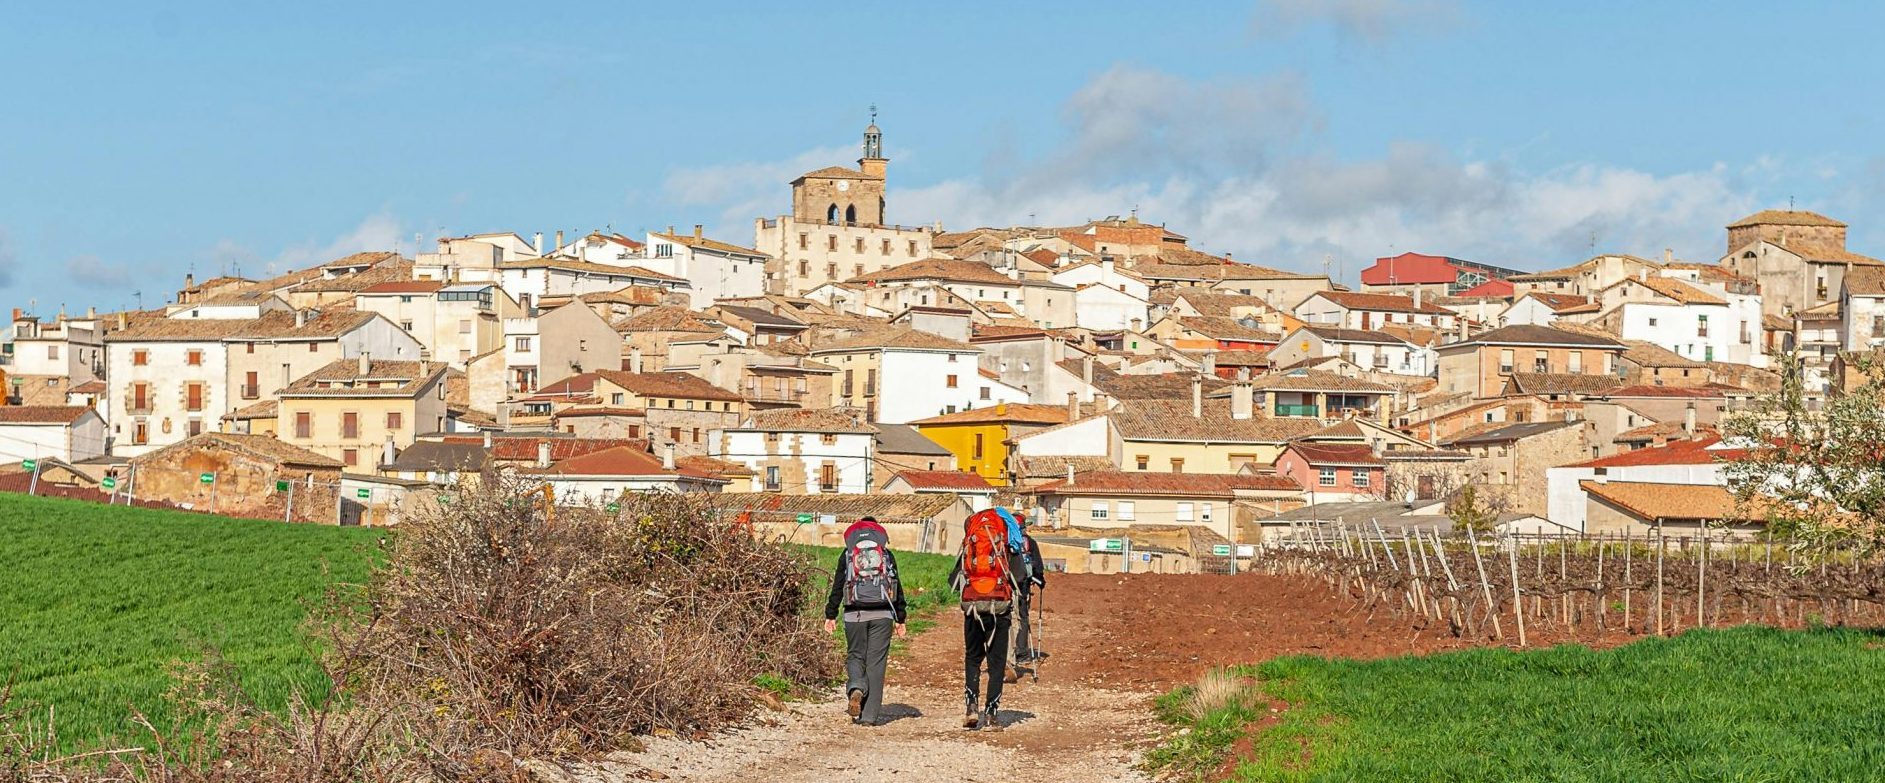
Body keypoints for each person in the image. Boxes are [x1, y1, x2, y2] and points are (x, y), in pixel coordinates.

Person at [823, 517, 907, 726]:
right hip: (882, 614)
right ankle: (869, 716)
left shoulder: (848, 554)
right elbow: (896, 586)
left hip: (854, 614)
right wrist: (900, 617)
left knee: (855, 655)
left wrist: (830, 614)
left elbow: (838, 585)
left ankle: (857, 687)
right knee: (876, 664)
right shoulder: (886, 554)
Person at [950, 508, 1019, 731]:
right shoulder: (1004, 547)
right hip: (999, 607)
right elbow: (1020, 576)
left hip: (972, 606)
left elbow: (953, 578)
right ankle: (991, 714)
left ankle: (971, 707)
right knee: (996, 663)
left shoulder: (969, 546)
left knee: (973, 658)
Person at [1006, 523, 1046, 680]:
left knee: (1005, 619)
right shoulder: (1029, 543)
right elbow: (1039, 568)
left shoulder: (1003, 541)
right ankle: (1021, 653)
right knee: (1022, 618)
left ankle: (1003, 653)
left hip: (1004, 586)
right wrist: (1040, 580)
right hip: (1022, 586)